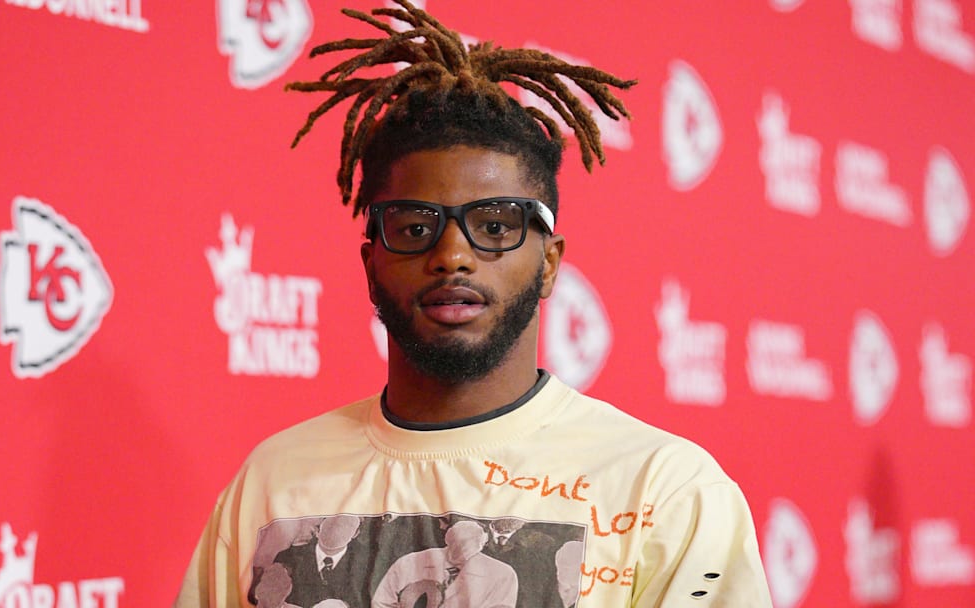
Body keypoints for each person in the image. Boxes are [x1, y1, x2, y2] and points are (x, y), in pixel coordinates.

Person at [173, 1, 773, 606]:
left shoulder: (665, 491)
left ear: (549, 262)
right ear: (370, 262)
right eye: (414, 227)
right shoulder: (273, 482)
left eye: (494, 225)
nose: (452, 255)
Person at [372, 520, 517, 608]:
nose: (461, 550)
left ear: (482, 544)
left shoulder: (502, 574)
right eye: (458, 542)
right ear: (448, 538)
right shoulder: (410, 562)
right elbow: (383, 602)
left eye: (468, 545)